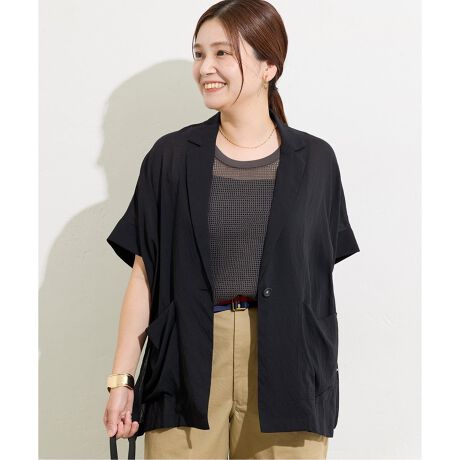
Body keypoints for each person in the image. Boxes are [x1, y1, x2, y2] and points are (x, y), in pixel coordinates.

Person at [103, 1, 360, 459]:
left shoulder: (316, 162)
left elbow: (316, 280)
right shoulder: (171, 158)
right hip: (186, 365)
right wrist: (122, 379)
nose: (206, 67)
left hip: (289, 369)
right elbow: (145, 275)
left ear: (269, 66)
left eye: (222, 53)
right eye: (199, 53)